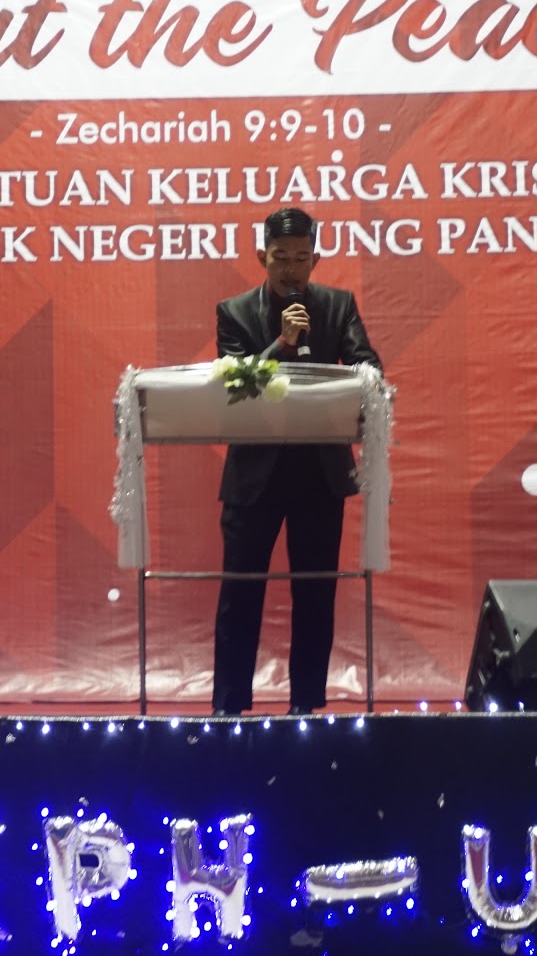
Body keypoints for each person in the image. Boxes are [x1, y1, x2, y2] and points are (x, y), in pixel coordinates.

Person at [211, 207, 382, 716]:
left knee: (314, 597)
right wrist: (281, 343)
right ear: (261, 257)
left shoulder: (337, 305)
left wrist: (347, 378)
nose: (291, 269)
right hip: (254, 477)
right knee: (240, 595)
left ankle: (306, 710)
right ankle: (228, 711)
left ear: (315, 259)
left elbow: (369, 368)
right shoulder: (234, 312)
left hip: (319, 473)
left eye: (301, 258)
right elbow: (234, 382)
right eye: (280, 258)